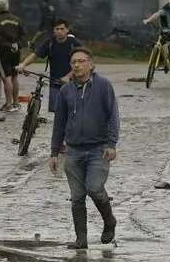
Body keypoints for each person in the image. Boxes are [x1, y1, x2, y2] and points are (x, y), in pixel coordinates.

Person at [49, 47, 119, 249]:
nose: (77, 65)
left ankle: (109, 221)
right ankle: (81, 239)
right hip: (73, 151)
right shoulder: (65, 91)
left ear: (90, 64)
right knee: (77, 197)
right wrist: (54, 152)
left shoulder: (104, 86)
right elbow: (59, 123)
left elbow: (113, 116)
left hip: (98, 149)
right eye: (73, 62)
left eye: (81, 61)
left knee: (95, 189)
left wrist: (111, 144)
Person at [18, 19, 82, 112]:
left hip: (73, 82)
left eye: (62, 29)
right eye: (57, 29)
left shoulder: (74, 43)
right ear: (53, 30)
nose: (59, 31)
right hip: (55, 82)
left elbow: (81, 64)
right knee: (56, 110)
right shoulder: (50, 43)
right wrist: (23, 64)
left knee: (72, 110)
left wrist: (68, 77)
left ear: (67, 30)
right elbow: (35, 55)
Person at [0, 0, 25, 113]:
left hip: (3, 52)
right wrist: (16, 45)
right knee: (15, 76)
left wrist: (7, 45)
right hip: (16, 52)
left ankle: (9, 104)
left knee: (7, 78)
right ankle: (16, 102)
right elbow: (23, 36)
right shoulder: (17, 20)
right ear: (7, 7)